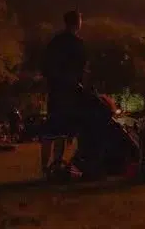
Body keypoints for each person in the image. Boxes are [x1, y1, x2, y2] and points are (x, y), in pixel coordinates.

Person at [41, 10, 87, 178]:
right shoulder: (78, 44)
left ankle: (45, 166)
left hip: (55, 89)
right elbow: (82, 70)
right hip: (70, 91)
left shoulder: (55, 42)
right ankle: (57, 163)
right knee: (63, 131)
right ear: (78, 23)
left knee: (50, 129)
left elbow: (45, 66)